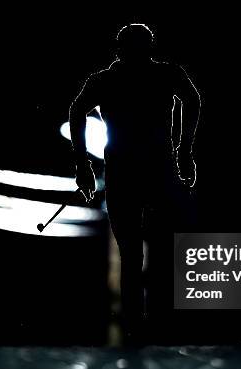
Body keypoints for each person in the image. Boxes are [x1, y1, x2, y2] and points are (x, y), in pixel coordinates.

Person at [69, 23, 200, 343]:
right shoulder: (163, 75)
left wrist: (83, 165)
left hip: (128, 171)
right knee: (152, 249)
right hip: (155, 169)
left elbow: (76, 112)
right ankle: (155, 322)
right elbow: (192, 100)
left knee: (134, 253)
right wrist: (184, 151)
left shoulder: (106, 80)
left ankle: (139, 324)